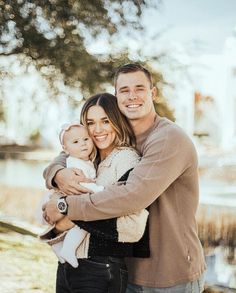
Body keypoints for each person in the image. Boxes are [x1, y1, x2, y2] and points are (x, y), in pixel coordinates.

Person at [43, 63, 206, 292]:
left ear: (153, 93)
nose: (132, 97)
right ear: (116, 95)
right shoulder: (117, 135)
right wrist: (57, 173)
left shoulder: (167, 138)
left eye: (139, 88)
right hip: (127, 268)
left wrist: (65, 205)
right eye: (124, 90)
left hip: (169, 273)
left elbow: (131, 196)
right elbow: (69, 152)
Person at [43, 93, 149, 293]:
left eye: (105, 121)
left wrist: (66, 213)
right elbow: (56, 164)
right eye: (91, 123)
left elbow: (132, 226)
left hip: (101, 267)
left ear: (117, 122)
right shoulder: (86, 156)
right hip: (69, 266)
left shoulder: (127, 160)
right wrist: (57, 174)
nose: (98, 130)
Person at [39, 121, 105, 268]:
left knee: (75, 223)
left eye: (86, 139)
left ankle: (58, 246)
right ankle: (68, 249)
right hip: (70, 199)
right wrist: (99, 190)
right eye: (76, 142)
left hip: (70, 200)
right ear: (65, 148)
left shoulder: (85, 159)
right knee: (82, 224)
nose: (83, 144)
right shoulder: (75, 162)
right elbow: (82, 183)